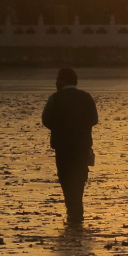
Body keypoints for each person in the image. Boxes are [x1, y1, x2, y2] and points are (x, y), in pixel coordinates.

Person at [42, 68, 97, 223]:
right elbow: (94, 119)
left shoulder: (55, 98)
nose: (56, 82)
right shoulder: (87, 98)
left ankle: (73, 212)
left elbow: (46, 120)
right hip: (82, 147)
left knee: (65, 179)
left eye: (58, 79)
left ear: (63, 80)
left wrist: (60, 128)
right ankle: (76, 211)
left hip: (62, 147)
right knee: (80, 179)